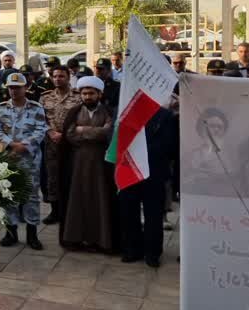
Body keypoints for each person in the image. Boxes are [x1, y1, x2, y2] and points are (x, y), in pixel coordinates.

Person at [0, 73, 48, 250]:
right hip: (8, 159)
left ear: (25, 88)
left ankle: (32, 234)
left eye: (17, 87)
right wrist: (11, 145)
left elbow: (41, 129)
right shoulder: (0, 108)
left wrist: (24, 145)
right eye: (11, 87)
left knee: (31, 196)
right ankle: (11, 232)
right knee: (9, 195)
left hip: (30, 159)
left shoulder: (36, 108)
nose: (14, 90)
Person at [60, 76, 117, 252]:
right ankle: (76, 238)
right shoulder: (74, 112)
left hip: (102, 164)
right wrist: (95, 132)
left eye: (91, 93)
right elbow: (70, 134)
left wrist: (83, 130)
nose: (87, 97)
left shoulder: (108, 111)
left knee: (101, 199)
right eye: (84, 93)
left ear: (99, 94)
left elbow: (108, 133)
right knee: (78, 199)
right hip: (78, 163)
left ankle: (101, 240)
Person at [120, 107, 174, 268]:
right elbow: (114, 137)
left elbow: (169, 145)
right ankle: (132, 250)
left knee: (154, 215)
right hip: (128, 170)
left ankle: (152, 253)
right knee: (128, 213)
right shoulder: (125, 110)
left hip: (154, 172)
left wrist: (141, 153)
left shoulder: (165, 115)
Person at [40, 65, 81, 227]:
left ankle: (71, 212)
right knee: (52, 177)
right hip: (52, 142)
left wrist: (66, 135)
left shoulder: (78, 97)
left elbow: (82, 118)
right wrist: (50, 132)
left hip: (72, 143)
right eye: (55, 76)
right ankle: (55, 211)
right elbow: (39, 119)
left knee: (72, 176)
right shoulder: (45, 98)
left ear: (68, 77)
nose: (58, 79)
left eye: (61, 76)